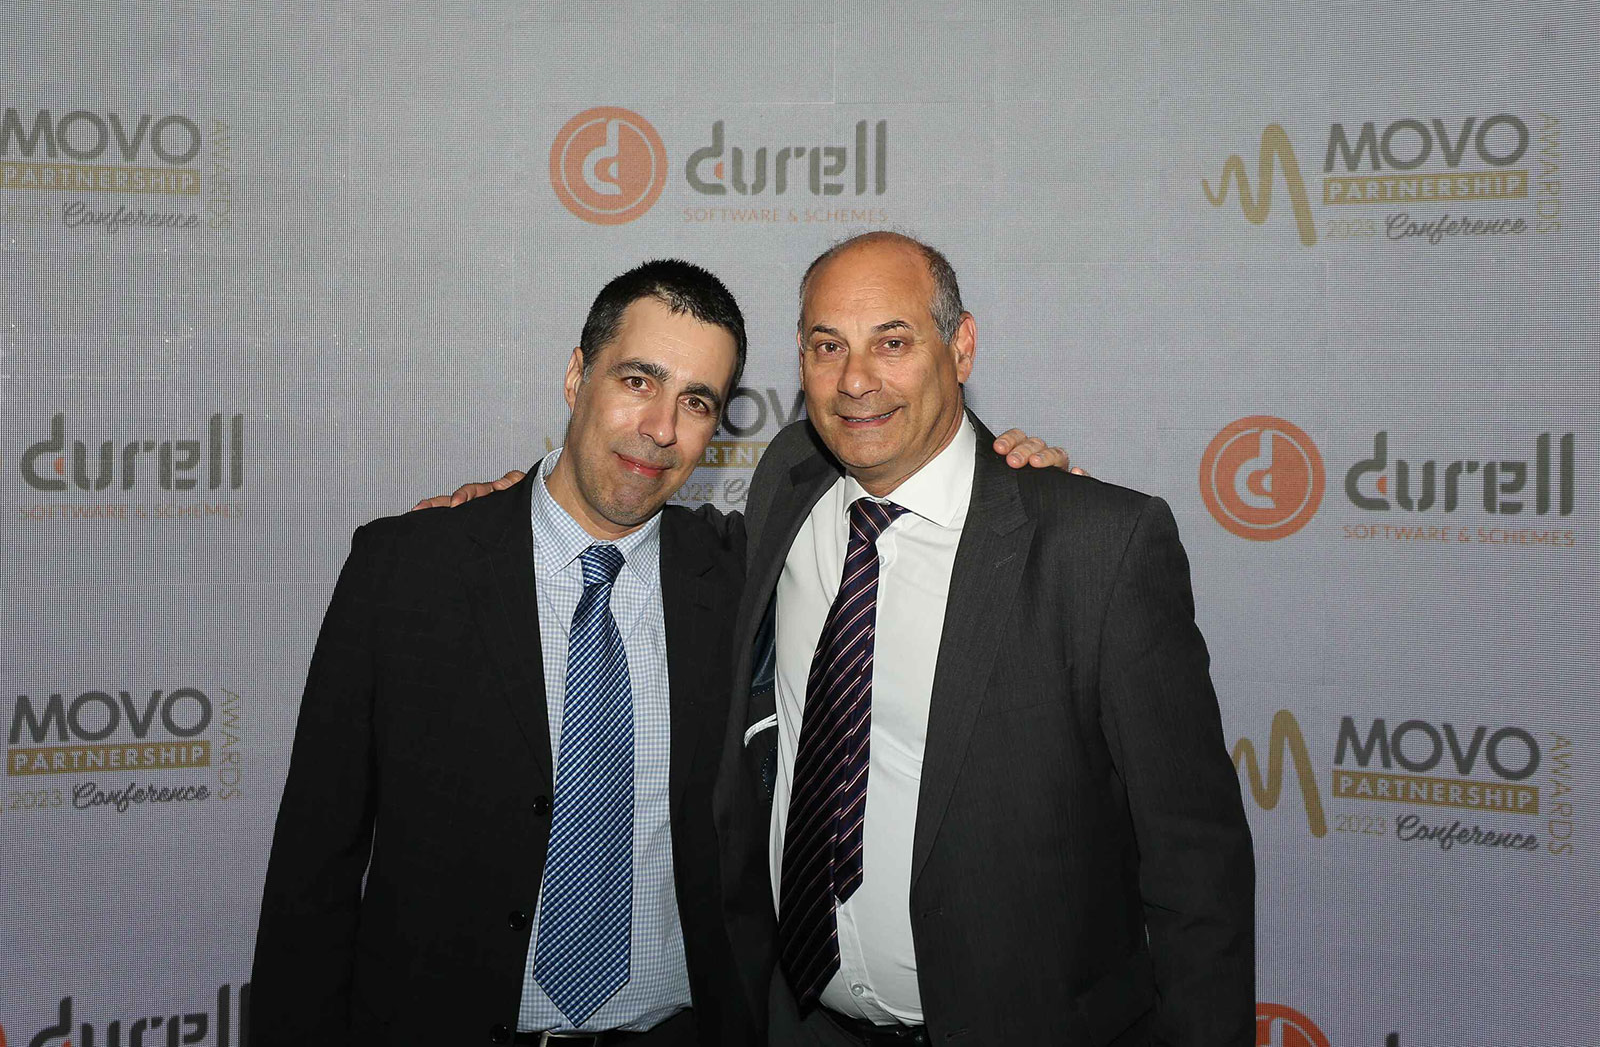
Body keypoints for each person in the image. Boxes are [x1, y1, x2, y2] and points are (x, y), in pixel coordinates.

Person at [253, 257, 1071, 1047]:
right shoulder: (408, 570)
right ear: (577, 375)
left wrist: (1018, 483)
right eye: (637, 381)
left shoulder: (742, 573)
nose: (660, 429)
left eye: (697, 401)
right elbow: (313, 866)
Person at [712, 232, 1256, 1046]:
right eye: (828, 347)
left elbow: (1196, 862)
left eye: (892, 342)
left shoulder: (1094, 545)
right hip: (800, 1022)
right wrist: (524, 504)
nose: (855, 380)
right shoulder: (790, 476)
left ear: (961, 346)